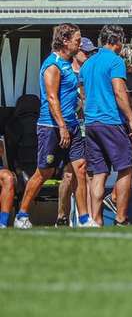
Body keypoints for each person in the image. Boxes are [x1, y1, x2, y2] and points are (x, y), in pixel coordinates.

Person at [15, 24, 92, 229]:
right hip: (52, 128)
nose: (80, 42)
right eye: (77, 39)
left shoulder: (69, 63)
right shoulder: (53, 65)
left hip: (73, 126)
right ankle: (22, 214)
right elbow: (51, 98)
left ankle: (85, 219)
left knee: (80, 169)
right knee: (44, 173)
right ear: (65, 41)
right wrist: (62, 127)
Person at [80, 24, 132, 226]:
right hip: (111, 122)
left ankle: (95, 220)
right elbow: (119, 92)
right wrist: (131, 119)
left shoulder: (88, 63)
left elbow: (83, 95)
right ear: (118, 42)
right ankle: (121, 218)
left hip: (91, 124)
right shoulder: (115, 61)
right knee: (126, 168)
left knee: (99, 173)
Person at [56, 36, 97, 225]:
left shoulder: (89, 72)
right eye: (85, 52)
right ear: (76, 52)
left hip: (86, 127)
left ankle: (84, 217)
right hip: (69, 126)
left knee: (84, 171)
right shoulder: (65, 70)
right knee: (68, 174)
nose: (88, 56)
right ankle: (62, 216)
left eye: (91, 53)